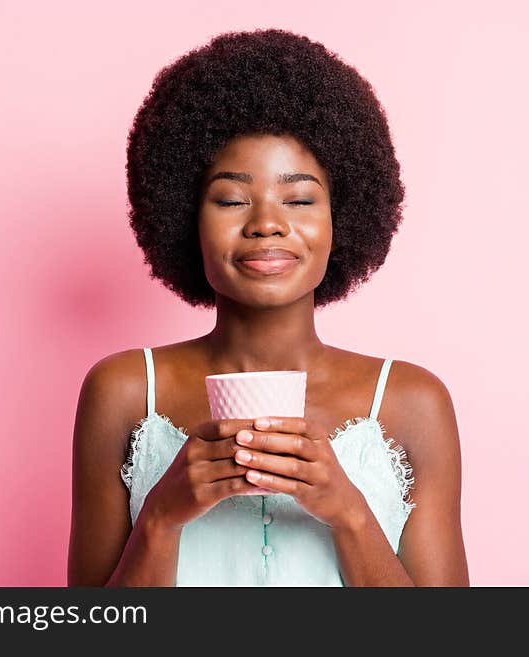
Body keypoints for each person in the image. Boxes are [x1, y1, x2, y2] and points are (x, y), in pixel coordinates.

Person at [67, 28, 469, 587]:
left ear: (342, 218)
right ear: (185, 216)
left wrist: (347, 510)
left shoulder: (411, 402)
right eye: (231, 199)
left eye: (300, 199)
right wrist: (163, 516)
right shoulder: (125, 390)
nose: (267, 223)